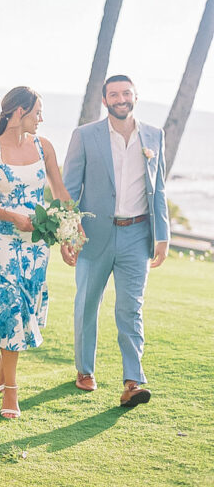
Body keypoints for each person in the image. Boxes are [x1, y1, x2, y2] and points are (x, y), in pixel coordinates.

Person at [63, 75, 169, 408]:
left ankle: (133, 380)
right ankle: (85, 370)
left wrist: (162, 235)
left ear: (135, 96)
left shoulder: (154, 135)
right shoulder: (84, 135)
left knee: (131, 308)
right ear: (105, 100)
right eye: (114, 94)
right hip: (94, 235)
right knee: (87, 305)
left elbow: (159, 188)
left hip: (138, 235)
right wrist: (69, 232)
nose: (120, 98)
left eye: (126, 93)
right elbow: (70, 189)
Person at [0, 87, 71, 419]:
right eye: (37, 112)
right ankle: (11, 394)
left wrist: (72, 233)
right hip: (3, 242)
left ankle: (3, 360)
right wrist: (12, 216)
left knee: (27, 306)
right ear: (18, 111)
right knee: (12, 304)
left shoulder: (44, 147)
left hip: (38, 244)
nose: (41, 119)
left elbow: (59, 192)